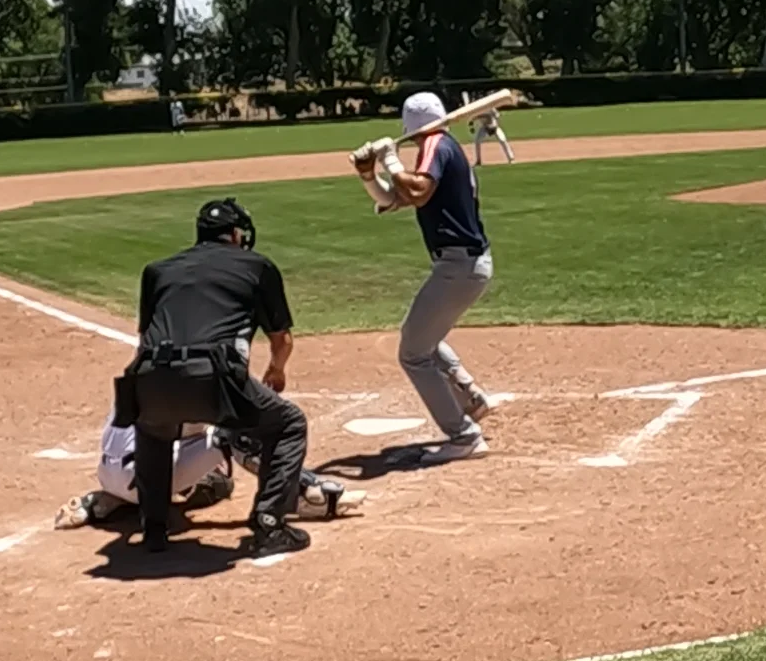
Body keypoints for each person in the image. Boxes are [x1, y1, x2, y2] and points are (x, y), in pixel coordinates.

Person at [117, 197, 312, 554]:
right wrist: (276, 371)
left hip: (149, 376)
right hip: (214, 379)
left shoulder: (158, 270)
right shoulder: (257, 266)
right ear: (236, 234)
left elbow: (145, 339)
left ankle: (155, 528)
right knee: (288, 424)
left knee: (153, 430)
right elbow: (281, 341)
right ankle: (270, 523)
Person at [364, 91, 496, 461]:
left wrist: (390, 161)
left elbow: (418, 192)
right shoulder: (443, 145)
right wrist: (367, 174)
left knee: (413, 354)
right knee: (422, 335)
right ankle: (469, 395)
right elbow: (396, 199)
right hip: (462, 264)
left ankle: (463, 436)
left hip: (459, 266)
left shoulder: (436, 144)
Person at [55, 417, 350, 530]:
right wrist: (305, 477)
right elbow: (245, 432)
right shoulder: (202, 373)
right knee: (231, 444)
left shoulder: (142, 364)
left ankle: (110, 500)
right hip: (145, 475)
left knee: (184, 451)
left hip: (107, 470)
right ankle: (304, 495)